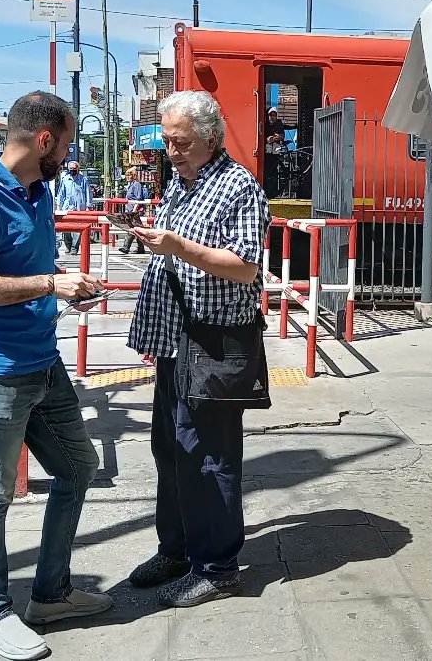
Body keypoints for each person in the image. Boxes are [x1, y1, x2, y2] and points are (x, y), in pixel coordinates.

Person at [0, 91, 111, 661]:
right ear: (44, 140)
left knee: (78, 469)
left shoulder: (39, 192)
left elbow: (32, 269)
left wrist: (65, 281)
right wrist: (48, 285)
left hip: (44, 363)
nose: (69, 155)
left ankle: (51, 593)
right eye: (66, 144)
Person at [127, 90, 270, 608]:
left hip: (212, 340)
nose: (171, 150)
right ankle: (178, 549)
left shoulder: (238, 186)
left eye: (180, 141)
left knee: (208, 455)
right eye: (166, 140)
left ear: (211, 137)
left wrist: (177, 247)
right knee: (169, 449)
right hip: (175, 340)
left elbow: (245, 265)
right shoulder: (181, 184)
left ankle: (218, 567)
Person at [56, 159, 93, 255]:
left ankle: (74, 248)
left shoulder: (83, 180)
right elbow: (61, 194)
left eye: (74, 168)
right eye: (70, 168)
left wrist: (89, 206)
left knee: (77, 229)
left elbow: (88, 193)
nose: (72, 170)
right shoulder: (65, 180)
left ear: (78, 169)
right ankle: (68, 246)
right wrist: (59, 206)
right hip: (67, 208)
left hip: (79, 208)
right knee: (65, 229)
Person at [118, 166, 148, 255]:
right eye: (126, 175)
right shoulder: (131, 185)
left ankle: (126, 247)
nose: (127, 177)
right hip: (131, 209)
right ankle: (140, 248)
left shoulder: (136, 184)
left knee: (133, 229)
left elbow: (138, 198)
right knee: (136, 229)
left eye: (129, 175)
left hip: (135, 210)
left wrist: (135, 209)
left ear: (133, 175)